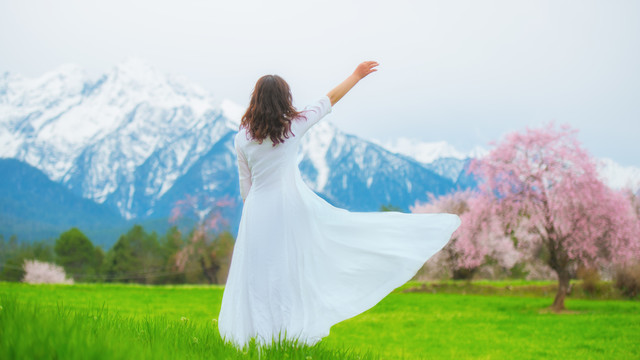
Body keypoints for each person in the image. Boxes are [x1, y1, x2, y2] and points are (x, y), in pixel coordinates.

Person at [217, 61, 461, 348]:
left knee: (257, 276)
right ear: (284, 98)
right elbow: (329, 99)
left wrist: (254, 212)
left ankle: (257, 341)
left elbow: (246, 188)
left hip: (257, 212)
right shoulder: (293, 126)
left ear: (255, 100)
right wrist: (356, 76)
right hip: (287, 209)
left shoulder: (241, 139)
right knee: (288, 273)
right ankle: (283, 338)